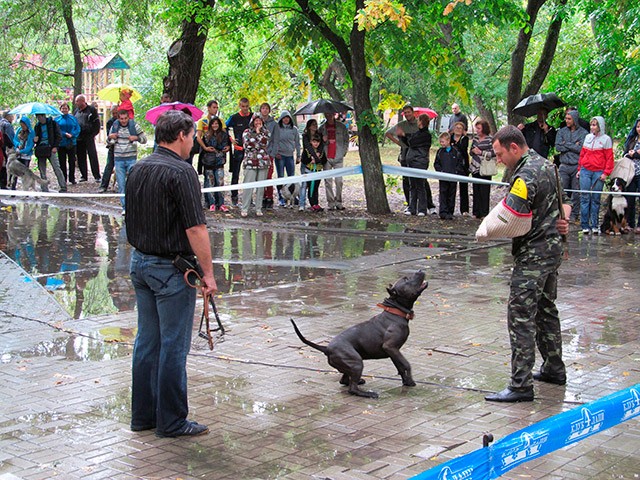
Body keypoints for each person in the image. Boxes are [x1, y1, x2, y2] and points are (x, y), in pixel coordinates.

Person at [125, 110, 216, 438]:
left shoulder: (138, 168)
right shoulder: (182, 172)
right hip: (170, 269)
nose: (194, 142)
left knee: (147, 343)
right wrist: (208, 273)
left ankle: (143, 417)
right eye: (192, 136)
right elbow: (196, 228)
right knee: (173, 346)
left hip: (140, 264)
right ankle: (172, 421)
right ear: (180, 135)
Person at [484, 125, 571, 403]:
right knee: (546, 310)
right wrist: (562, 222)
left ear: (513, 147)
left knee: (520, 316)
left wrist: (488, 228)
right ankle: (554, 369)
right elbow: (565, 202)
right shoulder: (548, 165)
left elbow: (512, 213)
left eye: (499, 154)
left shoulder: (525, 174)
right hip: (552, 251)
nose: (498, 160)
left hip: (533, 255)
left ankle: (520, 384)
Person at [577, 116, 614, 235]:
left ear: (600, 126)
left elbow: (609, 158)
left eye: (595, 125)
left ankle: (594, 225)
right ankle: (584, 225)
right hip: (585, 171)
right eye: (591, 125)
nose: (592, 127)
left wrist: (606, 173)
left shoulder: (606, 139)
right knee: (584, 198)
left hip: (598, 172)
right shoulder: (587, 137)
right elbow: (582, 154)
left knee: (596, 199)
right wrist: (579, 169)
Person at [108, 110, 147, 212]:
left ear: (128, 118)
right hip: (118, 159)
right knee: (121, 185)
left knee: (132, 183)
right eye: (121, 119)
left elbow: (144, 139)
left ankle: (133, 206)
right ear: (118, 118)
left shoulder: (134, 126)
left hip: (131, 158)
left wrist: (137, 138)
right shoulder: (115, 126)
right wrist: (110, 137)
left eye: (125, 118)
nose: (123, 121)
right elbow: (109, 142)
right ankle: (125, 208)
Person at [555, 109, 588, 222]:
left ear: (574, 119)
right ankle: (562, 213)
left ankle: (574, 214)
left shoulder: (583, 133)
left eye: (569, 119)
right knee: (562, 190)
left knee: (576, 192)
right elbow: (558, 147)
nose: (567, 121)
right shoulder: (561, 132)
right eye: (566, 118)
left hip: (576, 166)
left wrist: (567, 144)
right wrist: (573, 144)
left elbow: (581, 149)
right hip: (564, 165)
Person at [396, 113, 432, 216]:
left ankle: (422, 209)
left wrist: (405, 135)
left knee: (420, 185)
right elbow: (407, 143)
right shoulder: (416, 133)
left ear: (422, 122)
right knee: (412, 185)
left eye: (418, 120)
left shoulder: (426, 135)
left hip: (420, 162)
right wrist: (401, 136)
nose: (417, 122)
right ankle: (412, 208)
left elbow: (412, 142)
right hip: (411, 162)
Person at [240, 115, 271, 217]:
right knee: (248, 186)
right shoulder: (246, 132)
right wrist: (257, 141)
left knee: (260, 187)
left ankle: (258, 208)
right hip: (250, 162)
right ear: (252, 122)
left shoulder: (266, 132)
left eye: (260, 120)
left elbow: (264, 144)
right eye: (256, 120)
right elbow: (247, 145)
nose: (258, 122)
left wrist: (258, 134)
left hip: (263, 162)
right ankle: (245, 208)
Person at [319, 112, 349, 210]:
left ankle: (339, 202)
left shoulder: (341, 127)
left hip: (338, 157)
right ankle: (331, 203)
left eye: (330, 114)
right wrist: (323, 140)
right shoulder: (322, 128)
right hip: (327, 157)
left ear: (334, 115)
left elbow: (346, 140)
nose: (329, 116)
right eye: (327, 115)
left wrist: (344, 152)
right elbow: (317, 143)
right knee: (328, 181)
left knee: (339, 181)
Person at [226, 98, 252, 206]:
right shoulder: (234, 117)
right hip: (238, 149)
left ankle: (249, 197)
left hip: (251, 150)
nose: (245, 109)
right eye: (243, 106)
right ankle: (234, 195)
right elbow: (223, 127)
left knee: (250, 174)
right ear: (239, 106)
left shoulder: (253, 117)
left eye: (247, 106)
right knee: (236, 173)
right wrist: (231, 139)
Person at [201, 117, 230, 212]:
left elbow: (224, 146)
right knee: (210, 182)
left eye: (217, 123)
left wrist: (224, 148)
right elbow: (210, 145)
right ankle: (211, 203)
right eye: (213, 124)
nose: (215, 125)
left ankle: (221, 203)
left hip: (220, 162)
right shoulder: (207, 135)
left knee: (220, 182)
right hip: (208, 162)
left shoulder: (224, 135)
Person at [435, 131, 464, 220]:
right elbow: (436, 163)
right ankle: (443, 212)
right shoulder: (440, 151)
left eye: (443, 141)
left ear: (448, 141)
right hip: (443, 177)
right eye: (440, 142)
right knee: (443, 193)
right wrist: (440, 171)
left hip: (453, 177)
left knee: (451, 194)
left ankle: (450, 211)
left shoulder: (455, 152)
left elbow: (460, 163)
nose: (441, 143)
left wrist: (456, 172)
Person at [33, 113, 66, 192]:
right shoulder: (37, 126)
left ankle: (63, 186)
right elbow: (36, 138)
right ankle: (44, 188)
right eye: (37, 117)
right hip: (41, 148)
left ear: (44, 116)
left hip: (51, 148)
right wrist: (35, 140)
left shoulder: (53, 124)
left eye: (40, 117)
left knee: (56, 168)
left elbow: (59, 136)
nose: (39, 119)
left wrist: (55, 146)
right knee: (42, 169)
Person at [469, 119, 495, 219]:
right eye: (476, 128)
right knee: (475, 190)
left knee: (484, 191)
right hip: (475, 167)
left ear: (484, 128)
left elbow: (493, 153)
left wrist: (481, 153)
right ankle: (476, 212)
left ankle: (484, 213)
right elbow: (470, 151)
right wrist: (473, 151)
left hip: (485, 168)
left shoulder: (490, 139)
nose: (477, 130)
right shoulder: (475, 139)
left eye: (479, 128)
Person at [274, 110, 301, 206]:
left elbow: (297, 143)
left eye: (287, 117)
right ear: (281, 119)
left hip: (290, 156)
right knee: (280, 177)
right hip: (280, 156)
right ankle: (281, 197)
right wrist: (275, 152)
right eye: (284, 117)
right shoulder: (277, 128)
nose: (286, 119)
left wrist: (298, 155)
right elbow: (274, 141)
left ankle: (292, 196)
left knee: (291, 178)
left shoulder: (294, 129)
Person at [73, 94, 102, 182]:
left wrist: (93, 134)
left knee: (92, 156)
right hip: (79, 137)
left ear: (82, 101)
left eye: (77, 101)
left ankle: (97, 176)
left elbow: (96, 123)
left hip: (89, 137)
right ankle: (83, 175)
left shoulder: (91, 110)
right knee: (81, 156)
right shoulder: (76, 111)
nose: (76, 103)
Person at [257, 103, 278, 209]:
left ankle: (269, 196)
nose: (264, 110)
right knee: (260, 176)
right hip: (258, 154)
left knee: (268, 176)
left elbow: (276, 140)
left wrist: (272, 154)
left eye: (266, 108)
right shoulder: (256, 122)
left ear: (269, 111)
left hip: (268, 153)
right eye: (263, 108)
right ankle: (261, 196)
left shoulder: (274, 124)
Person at [55, 102, 81, 185]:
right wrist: (64, 134)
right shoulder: (57, 119)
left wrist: (72, 134)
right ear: (60, 109)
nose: (64, 110)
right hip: (61, 143)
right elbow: (56, 130)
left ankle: (72, 178)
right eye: (63, 108)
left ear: (68, 109)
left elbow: (77, 128)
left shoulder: (73, 118)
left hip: (71, 143)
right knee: (62, 162)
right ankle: (64, 179)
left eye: (66, 108)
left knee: (72, 161)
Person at [300, 119, 323, 211]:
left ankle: (314, 203)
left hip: (316, 165)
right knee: (305, 185)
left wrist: (318, 156)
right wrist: (314, 157)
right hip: (307, 162)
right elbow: (307, 147)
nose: (315, 126)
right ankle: (302, 204)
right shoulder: (305, 136)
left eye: (316, 124)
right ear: (309, 126)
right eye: (313, 124)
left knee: (315, 185)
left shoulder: (319, 135)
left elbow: (321, 146)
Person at [623, 119, 640, 233]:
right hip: (631, 172)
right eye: (638, 127)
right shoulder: (632, 139)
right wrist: (629, 154)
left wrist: (637, 154)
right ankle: (630, 223)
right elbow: (624, 153)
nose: (639, 129)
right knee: (630, 199)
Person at [98, 106, 119, 193]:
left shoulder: (126, 121)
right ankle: (103, 186)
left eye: (116, 113)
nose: (114, 115)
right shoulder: (110, 122)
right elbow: (109, 136)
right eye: (113, 113)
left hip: (123, 148)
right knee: (109, 166)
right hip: (113, 147)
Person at [451, 121, 470, 215]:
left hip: (463, 166)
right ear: (453, 129)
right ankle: (450, 209)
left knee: (463, 188)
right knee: (451, 187)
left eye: (460, 128)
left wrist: (454, 144)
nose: (458, 129)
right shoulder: (449, 138)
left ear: (463, 131)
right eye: (456, 127)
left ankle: (464, 210)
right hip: (452, 165)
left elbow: (463, 149)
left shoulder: (465, 139)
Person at [11, 117, 35, 190]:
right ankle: (13, 188)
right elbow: (14, 140)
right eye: (21, 125)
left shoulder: (31, 132)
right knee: (15, 172)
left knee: (25, 173)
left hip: (26, 156)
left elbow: (30, 146)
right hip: (18, 155)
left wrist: (21, 151)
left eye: (23, 126)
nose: (22, 127)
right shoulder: (19, 130)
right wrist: (17, 145)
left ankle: (25, 189)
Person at [0, 111, 15, 189]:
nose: (13, 118)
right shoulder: (7, 125)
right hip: (6, 148)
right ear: (8, 116)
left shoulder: (0, 123)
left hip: (2, 147)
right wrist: (13, 146)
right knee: (6, 165)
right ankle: (5, 183)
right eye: (12, 116)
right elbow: (11, 137)